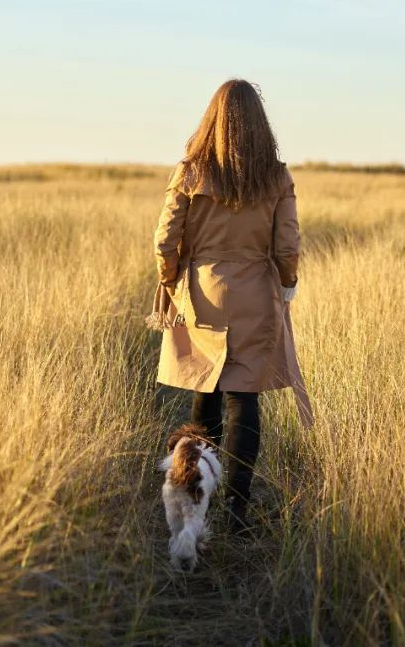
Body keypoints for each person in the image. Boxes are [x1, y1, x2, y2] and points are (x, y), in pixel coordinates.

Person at [149, 78, 311, 535]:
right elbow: (288, 243)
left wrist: (170, 281)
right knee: (244, 396)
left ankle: (198, 499)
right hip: (256, 293)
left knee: (206, 389)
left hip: (201, 292)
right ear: (260, 123)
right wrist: (287, 284)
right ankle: (238, 510)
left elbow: (165, 240)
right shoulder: (276, 175)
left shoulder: (189, 171)